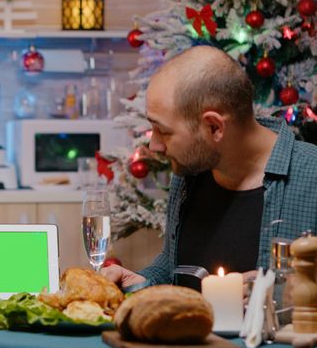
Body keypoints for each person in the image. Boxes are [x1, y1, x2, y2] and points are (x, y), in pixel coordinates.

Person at [102, 45, 317, 292]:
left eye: (164, 131)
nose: (154, 145)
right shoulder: (190, 174)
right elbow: (172, 266)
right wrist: (141, 282)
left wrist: (280, 292)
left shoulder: (311, 175)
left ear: (214, 127)